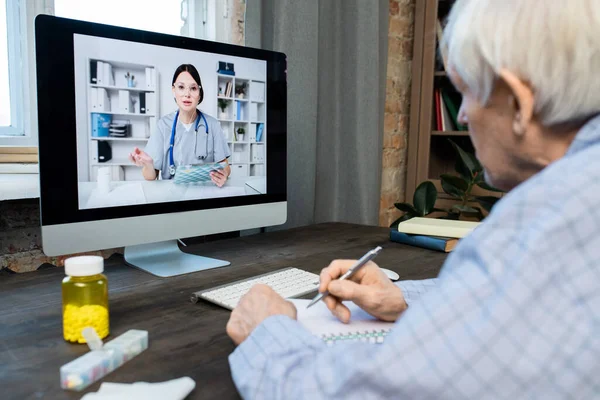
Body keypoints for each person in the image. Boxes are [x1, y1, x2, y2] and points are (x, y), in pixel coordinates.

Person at [226, 1, 600, 398]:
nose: (462, 118)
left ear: (518, 103)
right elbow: (510, 307)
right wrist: (405, 299)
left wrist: (268, 331)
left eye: (465, 92)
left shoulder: (546, 224)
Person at [129, 64, 231, 187]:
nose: (187, 94)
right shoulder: (163, 126)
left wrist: (223, 174)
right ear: (174, 90)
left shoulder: (213, 125)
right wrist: (149, 164)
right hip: (172, 198)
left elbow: (225, 166)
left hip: (204, 194)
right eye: (181, 87)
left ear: (199, 93)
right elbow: (151, 176)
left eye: (193, 88)